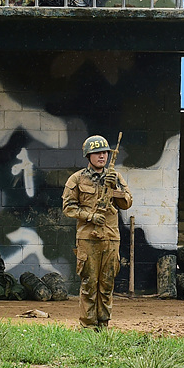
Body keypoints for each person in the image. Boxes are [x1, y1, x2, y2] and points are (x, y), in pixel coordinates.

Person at [62, 135, 133, 329]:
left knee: (107, 282)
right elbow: (68, 207)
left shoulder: (116, 177)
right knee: (89, 283)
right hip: (88, 238)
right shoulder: (77, 179)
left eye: (104, 153)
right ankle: (87, 324)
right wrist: (90, 216)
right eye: (97, 153)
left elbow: (127, 202)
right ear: (88, 156)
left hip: (110, 237)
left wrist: (114, 187)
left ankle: (103, 323)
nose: (102, 156)